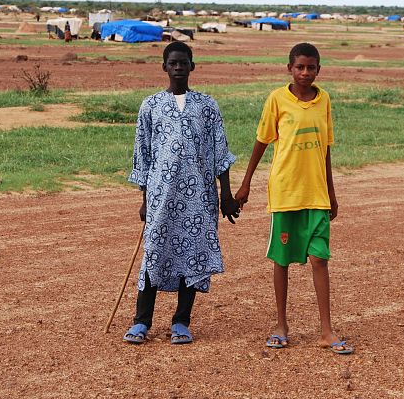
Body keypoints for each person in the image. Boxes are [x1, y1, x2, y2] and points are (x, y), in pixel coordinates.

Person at [235, 42, 354, 355]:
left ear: (318, 69)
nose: (305, 73)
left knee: (319, 259)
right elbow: (262, 142)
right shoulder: (277, 99)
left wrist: (332, 191)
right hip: (286, 191)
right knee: (282, 260)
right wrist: (246, 184)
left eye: (311, 67)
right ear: (289, 68)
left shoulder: (324, 99)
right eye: (299, 67)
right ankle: (281, 325)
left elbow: (326, 149)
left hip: (316, 194)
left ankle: (326, 331)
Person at [123, 41, 240, 345]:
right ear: (164, 67)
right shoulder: (150, 106)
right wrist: (145, 199)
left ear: (192, 66)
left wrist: (225, 194)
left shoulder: (207, 105)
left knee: (194, 254)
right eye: (172, 63)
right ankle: (141, 321)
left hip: (199, 197)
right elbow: (143, 154)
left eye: (183, 62)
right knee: (153, 252)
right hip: (161, 195)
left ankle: (181, 322)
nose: (178, 67)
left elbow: (219, 152)